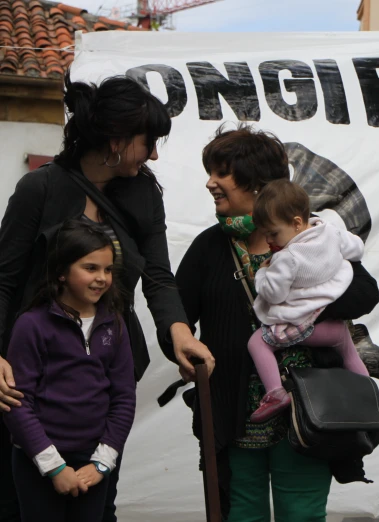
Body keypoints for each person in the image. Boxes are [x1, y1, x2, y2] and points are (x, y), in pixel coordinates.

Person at [0, 73, 214, 522]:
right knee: (21, 502)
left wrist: (179, 334)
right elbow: (4, 280)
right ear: (116, 140)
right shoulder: (39, 189)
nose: (154, 153)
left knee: (98, 502)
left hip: (103, 363)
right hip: (30, 376)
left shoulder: (144, 193)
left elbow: (157, 276)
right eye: (148, 141)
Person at [160, 126, 379, 521]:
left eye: (221, 173)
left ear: (257, 182)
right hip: (235, 412)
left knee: (301, 511)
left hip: (308, 413)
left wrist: (303, 309)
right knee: (243, 510)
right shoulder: (210, 247)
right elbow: (173, 312)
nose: (210, 183)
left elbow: (366, 293)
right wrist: (182, 348)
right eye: (210, 172)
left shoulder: (312, 236)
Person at [3, 220, 135, 522]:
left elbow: (124, 398)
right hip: (37, 462)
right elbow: (17, 403)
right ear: (61, 272)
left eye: (108, 269)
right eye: (90, 268)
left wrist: (102, 463)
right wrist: (55, 467)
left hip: (93, 462)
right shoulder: (31, 325)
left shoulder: (114, 325)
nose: (102, 278)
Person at [247, 179, 369, 422]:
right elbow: (356, 249)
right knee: (350, 354)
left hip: (307, 324)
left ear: (296, 223)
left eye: (273, 233)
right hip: (334, 325)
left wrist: (262, 273)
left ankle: (275, 392)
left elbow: (274, 294)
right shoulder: (330, 231)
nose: (270, 240)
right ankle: (368, 395)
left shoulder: (287, 258)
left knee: (257, 343)